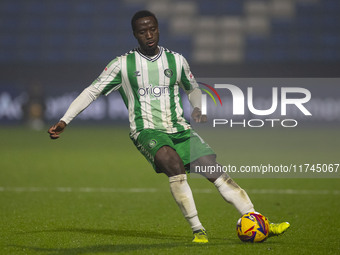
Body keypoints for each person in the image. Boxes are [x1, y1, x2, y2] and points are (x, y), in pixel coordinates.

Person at [48, 10, 290, 243]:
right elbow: (92, 91)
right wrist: (65, 119)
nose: (149, 35)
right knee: (174, 165)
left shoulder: (176, 60)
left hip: (180, 129)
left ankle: (259, 220)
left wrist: (198, 107)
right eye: (143, 31)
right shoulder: (122, 65)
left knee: (213, 170)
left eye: (152, 29)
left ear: (158, 30)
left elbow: (192, 87)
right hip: (147, 130)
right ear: (135, 34)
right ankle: (198, 230)